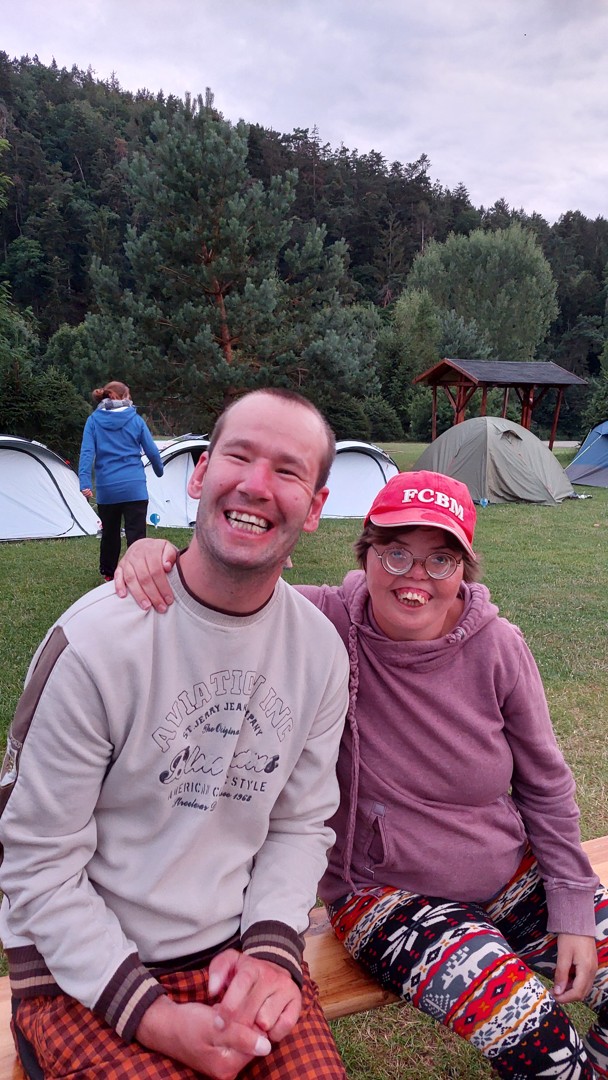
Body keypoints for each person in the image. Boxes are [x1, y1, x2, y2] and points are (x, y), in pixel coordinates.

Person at [115, 469, 608, 1079]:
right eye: (395, 553)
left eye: (440, 559)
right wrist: (157, 555)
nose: (414, 577)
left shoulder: (498, 646)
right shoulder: (320, 621)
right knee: (538, 1038)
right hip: (384, 897)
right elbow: (222, 590)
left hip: (508, 873)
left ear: (464, 568)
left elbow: (545, 785)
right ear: (367, 553)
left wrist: (572, 909)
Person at [0, 388, 351, 1080]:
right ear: (199, 474)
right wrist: (156, 1019)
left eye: (287, 470)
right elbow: (36, 862)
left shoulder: (319, 652)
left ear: (315, 508)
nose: (256, 485)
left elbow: (300, 822)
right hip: (81, 973)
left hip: (235, 953)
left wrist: (272, 955)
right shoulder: (97, 643)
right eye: (239, 456)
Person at [78, 380, 164, 580]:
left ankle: (109, 574)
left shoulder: (93, 420)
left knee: (110, 534)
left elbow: (87, 453)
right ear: (123, 397)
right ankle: (137, 575)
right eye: (129, 395)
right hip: (135, 487)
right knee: (136, 535)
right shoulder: (136, 420)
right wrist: (159, 470)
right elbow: (152, 451)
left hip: (107, 488)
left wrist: (85, 482)